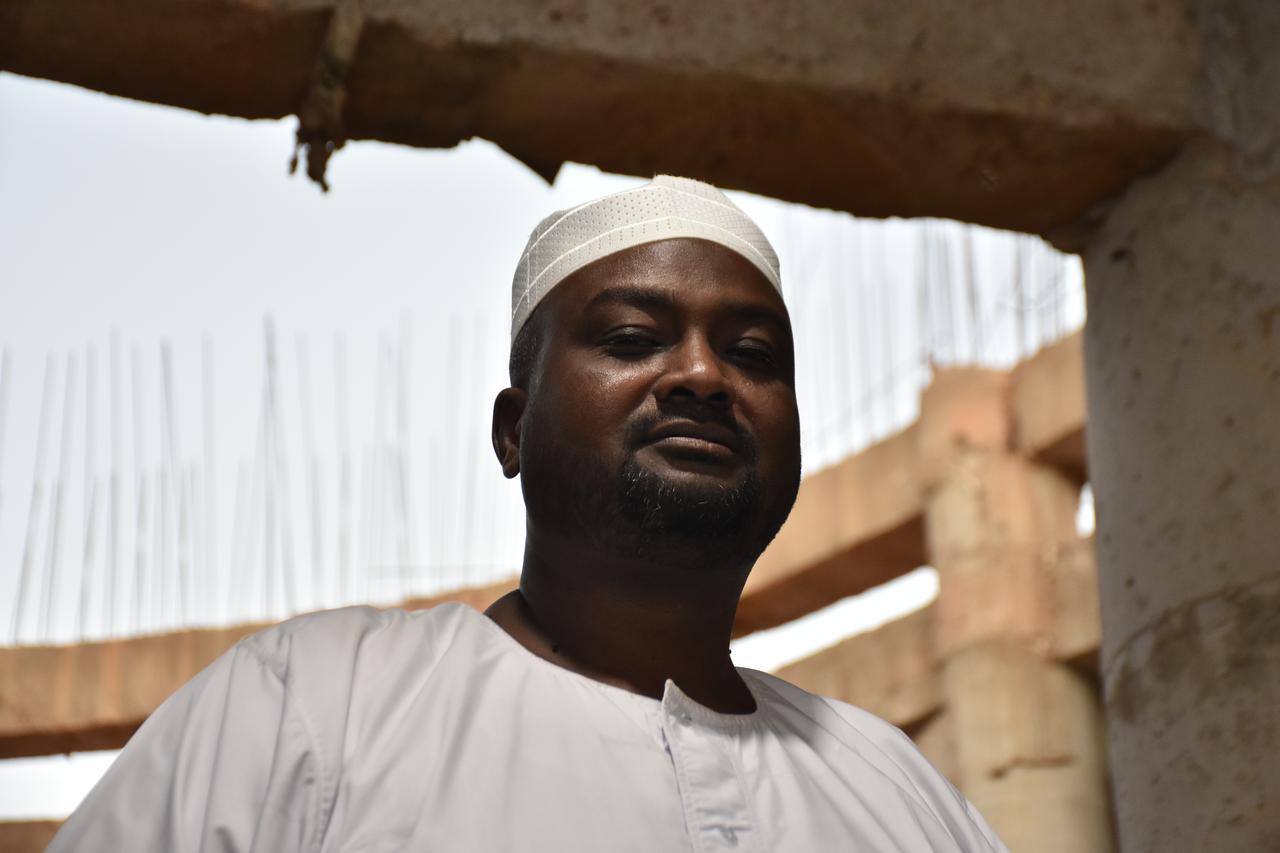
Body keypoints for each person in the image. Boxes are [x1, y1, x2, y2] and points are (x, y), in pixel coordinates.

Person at [48, 176, 1006, 852]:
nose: (705, 376)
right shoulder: (316, 705)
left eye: (755, 354)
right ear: (514, 431)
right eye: (634, 337)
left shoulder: (901, 792)